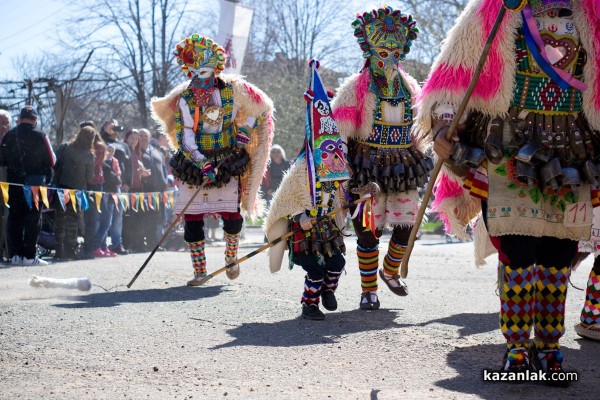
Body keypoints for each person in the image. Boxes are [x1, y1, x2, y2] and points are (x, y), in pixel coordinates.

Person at [419, 0, 600, 383]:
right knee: (517, 253)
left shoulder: (593, 12)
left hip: (575, 151)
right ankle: (517, 350)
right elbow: (453, 78)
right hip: (507, 146)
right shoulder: (495, 9)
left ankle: (549, 348)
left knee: (559, 253)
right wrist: (444, 125)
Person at [151, 34, 274, 285]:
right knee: (192, 217)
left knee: (232, 215)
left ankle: (231, 257)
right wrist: (200, 162)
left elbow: (261, 109)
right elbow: (185, 135)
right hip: (195, 162)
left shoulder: (233, 89)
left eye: (205, 71)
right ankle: (199, 270)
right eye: (194, 72)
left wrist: (246, 129)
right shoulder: (185, 99)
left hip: (228, 157)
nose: (200, 77)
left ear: (216, 68)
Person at [331, 6, 432, 310]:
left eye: (395, 51)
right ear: (370, 50)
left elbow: (420, 122)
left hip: (404, 165)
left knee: (406, 225)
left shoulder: (410, 86)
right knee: (368, 230)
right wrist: (340, 166)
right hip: (366, 166)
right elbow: (338, 131)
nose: (389, 57)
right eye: (383, 51)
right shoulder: (356, 87)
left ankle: (389, 270)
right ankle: (368, 291)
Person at [264, 59, 354, 320]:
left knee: (337, 263)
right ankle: (309, 304)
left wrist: (360, 193)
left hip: (328, 228)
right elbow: (285, 203)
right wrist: (299, 218)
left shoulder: (339, 165)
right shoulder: (302, 168)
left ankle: (328, 290)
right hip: (305, 229)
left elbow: (346, 196)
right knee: (314, 268)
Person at [0, 106, 55, 265]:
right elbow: (52, 160)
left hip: (13, 183)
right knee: (33, 219)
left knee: (14, 218)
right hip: (35, 185)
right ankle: (30, 256)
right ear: (35, 119)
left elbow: (1, 160)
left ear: (19, 118)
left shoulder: (9, 136)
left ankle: (16, 255)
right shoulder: (41, 135)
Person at [52, 125, 95, 260]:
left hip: (61, 188)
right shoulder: (89, 155)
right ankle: (70, 250)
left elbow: (55, 164)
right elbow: (89, 178)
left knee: (59, 219)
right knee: (73, 220)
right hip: (77, 191)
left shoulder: (65, 147)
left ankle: (58, 249)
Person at [100, 119, 130, 255]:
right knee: (106, 217)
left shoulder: (122, 145)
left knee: (118, 217)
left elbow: (128, 164)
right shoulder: (101, 141)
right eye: (110, 124)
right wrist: (104, 133)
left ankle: (117, 244)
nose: (113, 127)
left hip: (119, 185)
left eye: (115, 125)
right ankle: (101, 245)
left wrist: (127, 182)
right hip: (105, 185)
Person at [139, 128, 168, 246]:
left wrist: (165, 182)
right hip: (143, 191)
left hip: (158, 191)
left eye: (146, 136)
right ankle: (141, 243)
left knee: (156, 218)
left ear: (150, 138)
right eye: (141, 136)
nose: (144, 138)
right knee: (143, 218)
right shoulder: (136, 151)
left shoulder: (156, 152)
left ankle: (153, 243)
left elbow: (163, 169)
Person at [122, 128, 149, 252]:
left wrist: (143, 173)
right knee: (127, 219)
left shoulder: (137, 153)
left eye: (136, 139)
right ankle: (127, 244)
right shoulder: (123, 150)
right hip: (128, 189)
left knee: (137, 218)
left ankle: (136, 244)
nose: (134, 141)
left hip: (138, 189)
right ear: (126, 138)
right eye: (131, 138)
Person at [0, 109, 12, 261]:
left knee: (8, 219)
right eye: (0, 123)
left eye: (5, 123)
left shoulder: (12, 139)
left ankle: (8, 251)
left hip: (10, 185)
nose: (3, 126)